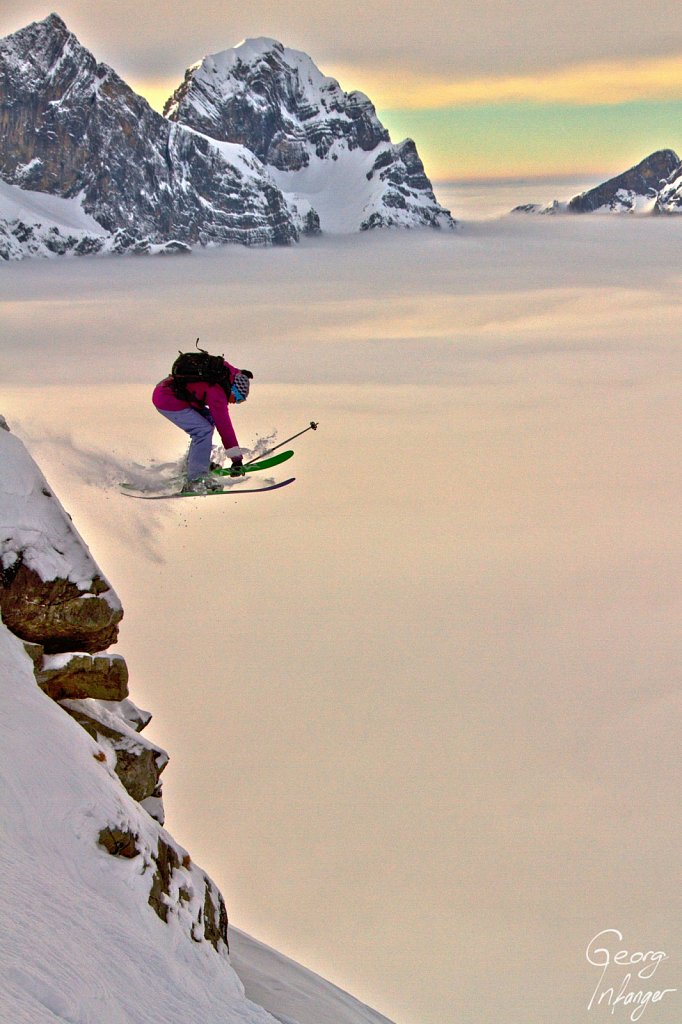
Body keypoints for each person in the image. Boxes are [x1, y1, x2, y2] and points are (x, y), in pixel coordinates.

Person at [152, 360, 253, 493]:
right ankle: (196, 480)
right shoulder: (218, 394)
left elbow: (231, 369)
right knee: (202, 430)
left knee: (208, 421)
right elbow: (225, 427)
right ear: (233, 390)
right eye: (238, 399)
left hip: (168, 391)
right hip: (167, 400)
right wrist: (236, 459)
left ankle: (196, 464)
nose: (234, 402)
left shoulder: (226, 375)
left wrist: (242, 373)